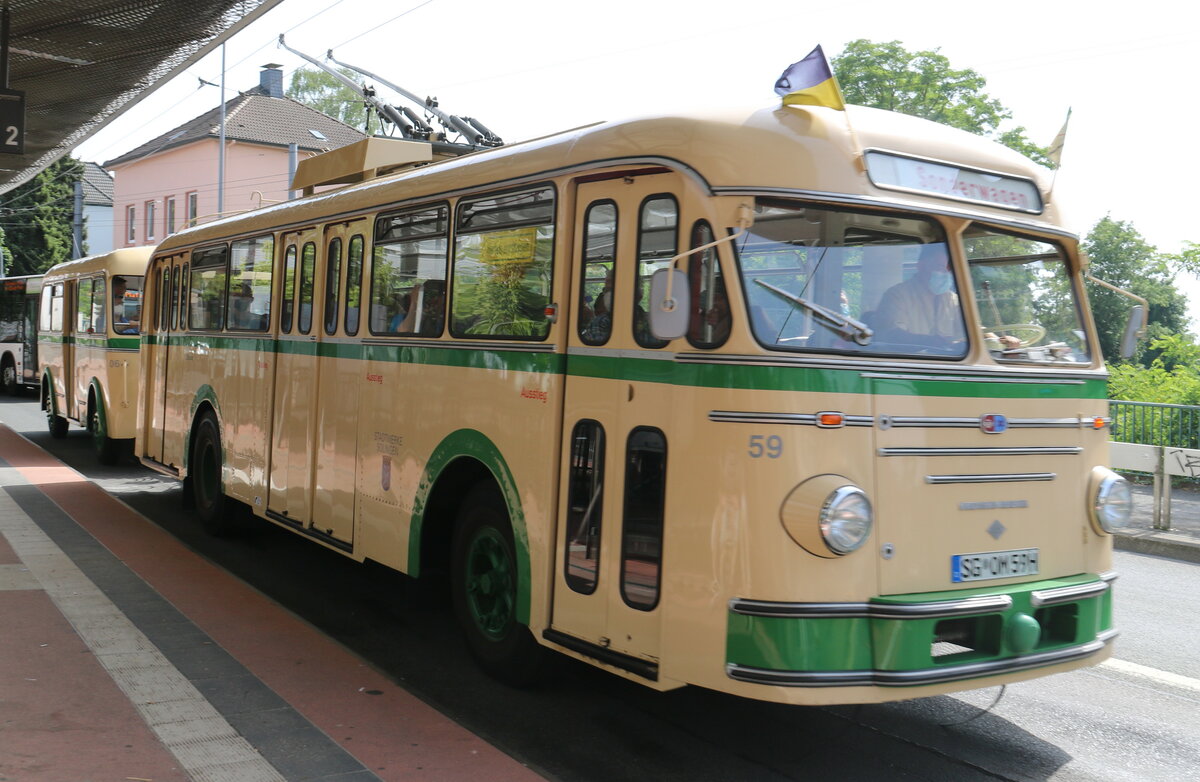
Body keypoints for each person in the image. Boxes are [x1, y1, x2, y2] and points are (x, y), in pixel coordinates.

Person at [873, 244, 964, 348]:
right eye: (940, 267)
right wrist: (929, 342)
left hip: (949, 361)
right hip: (910, 361)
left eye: (949, 269)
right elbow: (893, 336)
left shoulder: (952, 299)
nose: (946, 274)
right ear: (921, 266)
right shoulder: (897, 295)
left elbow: (965, 330)